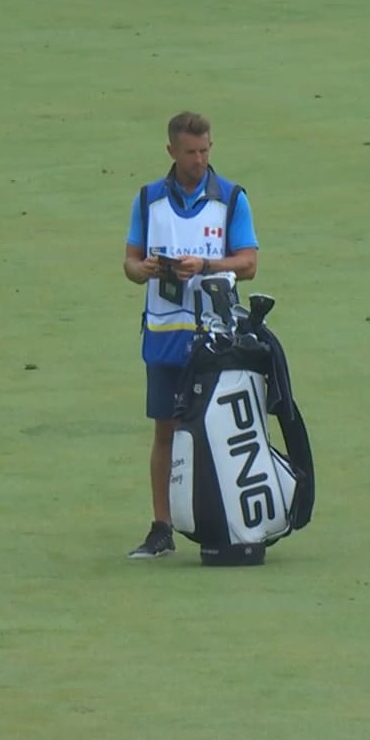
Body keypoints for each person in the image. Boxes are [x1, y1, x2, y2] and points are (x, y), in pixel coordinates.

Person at [121, 111, 259, 558]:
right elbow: (129, 262)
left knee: (217, 431)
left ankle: (221, 520)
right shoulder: (148, 201)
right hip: (164, 335)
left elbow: (249, 263)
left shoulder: (232, 199)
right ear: (172, 152)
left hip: (216, 340)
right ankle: (162, 527)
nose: (200, 160)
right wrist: (142, 271)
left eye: (205, 151)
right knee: (165, 431)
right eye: (191, 152)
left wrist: (207, 266)